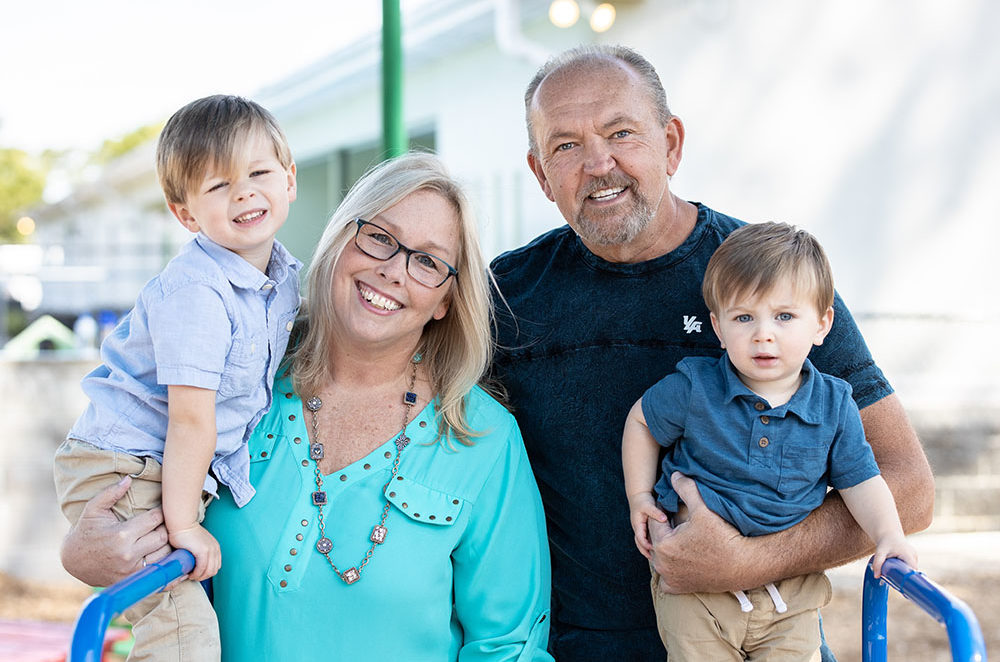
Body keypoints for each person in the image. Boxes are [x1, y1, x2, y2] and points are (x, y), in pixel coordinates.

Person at [488, 44, 933, 661]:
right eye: (565, 146)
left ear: (671, 144)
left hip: (763, 638)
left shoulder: (764, 281)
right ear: (540, 174)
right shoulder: (505, 298)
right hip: (578, 648)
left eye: (622, 132)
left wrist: (748, 560)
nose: (598, 163)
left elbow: (909, 486)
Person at [53, 95, 300, 661]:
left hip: (166, 462)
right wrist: (184, 525)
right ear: (186, 214)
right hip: (125, 464)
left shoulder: (282, 278)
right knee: (182, 630)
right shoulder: (197, 290)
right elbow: (191, 420)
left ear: (288, 180)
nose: (244, 192)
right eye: (218, 186)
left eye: (259, 172)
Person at [622, 222, 918, 661]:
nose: (764, 333)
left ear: (822, 324)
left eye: (784, 316)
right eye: (744, 317)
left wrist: (889, 534)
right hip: (696, 590)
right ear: (718, 329)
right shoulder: (695, 387)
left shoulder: (834, 404)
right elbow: (642, 421)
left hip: (791, 593)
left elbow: (862, 479)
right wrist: (639, 495)